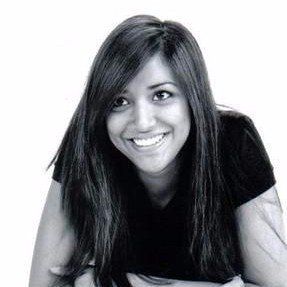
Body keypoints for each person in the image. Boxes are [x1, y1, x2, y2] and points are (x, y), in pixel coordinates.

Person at [29, 15, 287, 287]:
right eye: (119, 101)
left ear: (192, 98)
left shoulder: (233, 141)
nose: (142, 122)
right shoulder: (87, 143)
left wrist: (112, 282)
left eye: (161, 95)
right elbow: (43, 284)